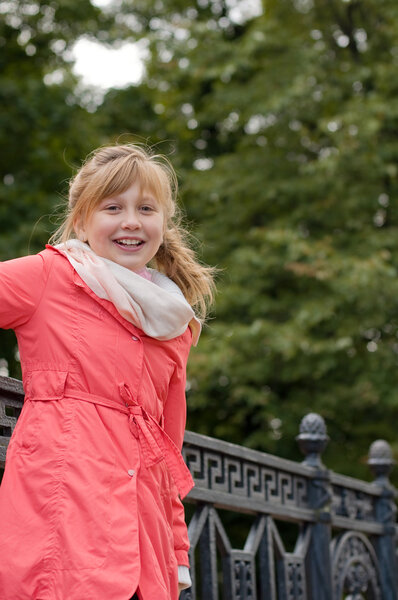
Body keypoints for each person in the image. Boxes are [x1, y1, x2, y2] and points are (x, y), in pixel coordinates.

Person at [0, 143, 215, 599]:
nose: (132, 221)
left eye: (146, 208)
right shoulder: (49, 276)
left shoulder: (174, 324)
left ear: (163, 223)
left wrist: (177, 552)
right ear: (82, 219)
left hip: (144, 539)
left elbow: (168, 450)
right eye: (113, 207)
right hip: (61, 523)